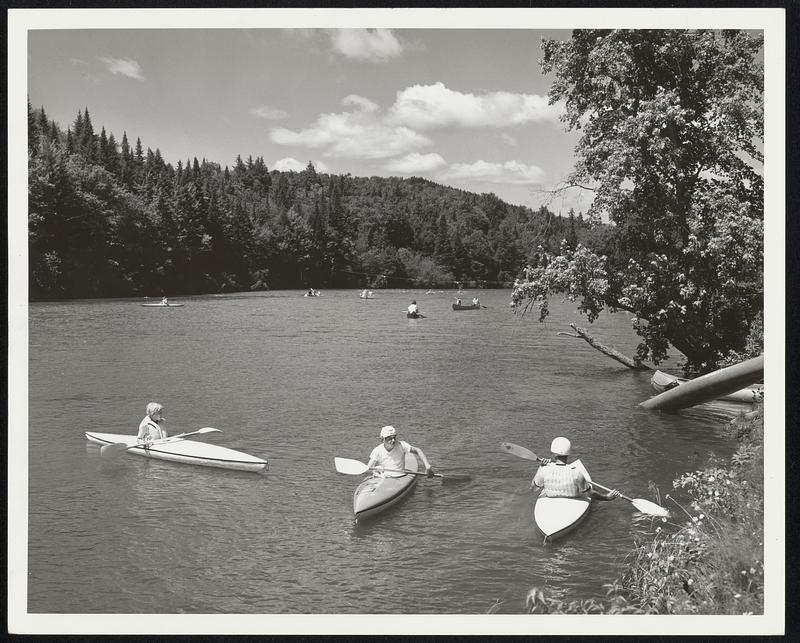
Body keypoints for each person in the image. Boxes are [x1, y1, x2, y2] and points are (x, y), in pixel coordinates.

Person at [531, 437, 620, 500]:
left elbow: (533, 489)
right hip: (573, 498)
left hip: (551, 497)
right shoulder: (576, 473)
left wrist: (541, 467)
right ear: (568, 453)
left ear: (553, 453)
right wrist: (606, 497)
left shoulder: (544, 470)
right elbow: (590, 493)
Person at [367, 425, 435, 478]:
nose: (393, 440)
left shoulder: (402, 445)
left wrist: (427, 466)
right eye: (389, 438)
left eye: (394, 437)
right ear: (382, 439)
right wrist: (376, 472)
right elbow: (369, 468)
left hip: (400, 475)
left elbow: (417, 450)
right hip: (384, 476)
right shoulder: (377, 451)